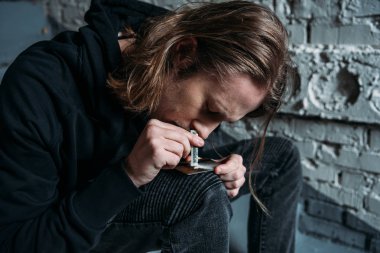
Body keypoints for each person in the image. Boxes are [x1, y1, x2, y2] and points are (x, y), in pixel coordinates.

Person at [0, 0, 302, 252]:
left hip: (135, 174)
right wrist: (128, 175)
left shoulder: (168, 51)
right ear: (182, 54)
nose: (206, 132)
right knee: (200, 194)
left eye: (223, 119)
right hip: (83, 210)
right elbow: (18, 242)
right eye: (210, 109)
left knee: (281, 156)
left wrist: (212, 165)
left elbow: (196, 147)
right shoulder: (37, 85)